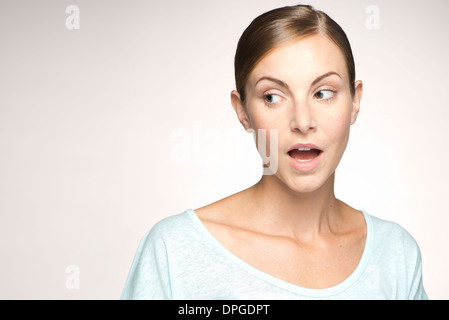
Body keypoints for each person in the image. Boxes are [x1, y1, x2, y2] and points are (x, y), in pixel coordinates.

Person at [121, 4, 428, 299]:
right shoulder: (174, 250)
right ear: (242, 111)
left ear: (355, 101)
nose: (303, 122)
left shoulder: (396, 255)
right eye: (272, 97)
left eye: (323, 93)